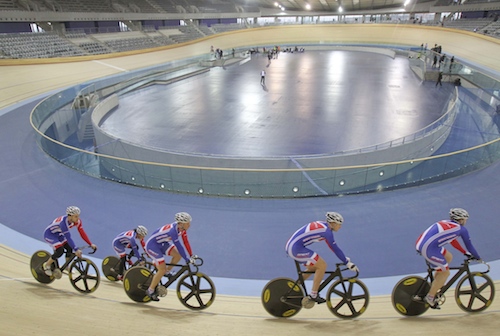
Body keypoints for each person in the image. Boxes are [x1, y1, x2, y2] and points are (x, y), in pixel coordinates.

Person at [285, 212, 359, 305]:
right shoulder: (326, 232)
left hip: (294, 246)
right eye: (339, 224)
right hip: (295, 249)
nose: (340, 227)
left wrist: (344, 259)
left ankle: (294, 288)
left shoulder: (324, 225)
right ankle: (313, 294)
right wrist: (346, 262)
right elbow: (335, 249)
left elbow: (332, 247)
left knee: (313, 268)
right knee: (322, 266)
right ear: (333, 223)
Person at [415, 208, 481, 309]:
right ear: (461, 220)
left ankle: (436, 283)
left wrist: (464, 252)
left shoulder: (446, 222)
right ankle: (430, 297)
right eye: (465, 219)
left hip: (424, 244)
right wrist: (478, 257)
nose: (466, 221)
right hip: (429, 249)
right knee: (445, 273)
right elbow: (469, 245)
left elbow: (452, 241)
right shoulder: (461, 229)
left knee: (448, 257)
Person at [144, 212, 197, 301]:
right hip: (152, 246)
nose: (189, 225)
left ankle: (167, 271)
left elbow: (186, 242)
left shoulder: (182, 229)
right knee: (162, 269)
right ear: (181, 224)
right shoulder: (173, 231)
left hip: (162, 243)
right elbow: (179, 246)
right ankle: (150, 290)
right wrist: (186, 259)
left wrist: (191, 255)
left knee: (178, 255)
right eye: (187, 223)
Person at [42, 206, 97, 277]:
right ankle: (47, 265)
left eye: (78, 216)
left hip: (59, 233)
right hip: (50, 234)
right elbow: (68, 237)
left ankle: (66, 266)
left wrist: (90, 243)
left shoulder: (77, 221)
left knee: (69, 248)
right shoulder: (63, 223)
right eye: (76, 216)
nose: (78, 218)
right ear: (70, 216)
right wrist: (76, 249)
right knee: (60, 250)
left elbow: (82, 233)